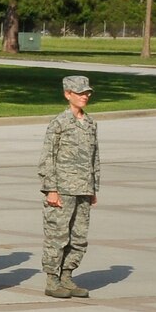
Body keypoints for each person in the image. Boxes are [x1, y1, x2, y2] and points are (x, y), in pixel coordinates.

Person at [39, 74, 99, 299]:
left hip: (83, 188)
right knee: (57, 235)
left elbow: (95, 158)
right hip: (62, 189)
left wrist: (93, 188)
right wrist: (50, 189)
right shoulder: (59, 123)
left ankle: (67, 275)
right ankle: (52, 280)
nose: (85, 96)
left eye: (87, 93)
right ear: (67, 94)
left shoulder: (90, 123)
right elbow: (48, 158)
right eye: (80, 93)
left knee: (79, 236)